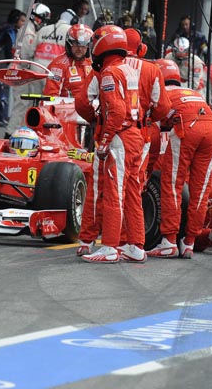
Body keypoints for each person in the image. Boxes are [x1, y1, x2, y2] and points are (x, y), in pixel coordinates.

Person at [74, 25, 146, 263]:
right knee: (133, 194)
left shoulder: (109, 73)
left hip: (120, 137)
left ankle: (111, 247)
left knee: (114, 193)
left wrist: (104, 141)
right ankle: (136, 246)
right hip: (135, 135)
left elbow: (116, 111)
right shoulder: (129, 69)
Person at [146, 59, 212, 259]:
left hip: (186, 127)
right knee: (201, 189)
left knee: (172, 184)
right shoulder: (193, 92)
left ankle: (169, 242)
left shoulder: (159, 93)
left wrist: (147, 170)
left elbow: (153, 134)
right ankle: (189, 242)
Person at [123, 28, 172, 184]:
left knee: (111, 179)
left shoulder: (106, 65)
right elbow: (163, 107)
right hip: (140, 129)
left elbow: (84, 102)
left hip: (110, 129)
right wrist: (148, 118)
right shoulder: (152, 69)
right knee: (136, 178)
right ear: (141, 48)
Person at [5, 3, 51, 137]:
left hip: (20, 73)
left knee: (24, 105)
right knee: (21, 106)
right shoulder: (28, 33)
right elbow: (25, 58)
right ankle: (10, 134)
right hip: (20, 73)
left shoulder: (28, 29)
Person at [43, 24, 93, 98]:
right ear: (69, 44)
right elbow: (51, 96)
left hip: (89, 104)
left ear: (88, 46)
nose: (80, 48)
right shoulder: (58, 65)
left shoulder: (92, 64)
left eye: (84, 45)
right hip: (67, 105)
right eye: (76, 44)